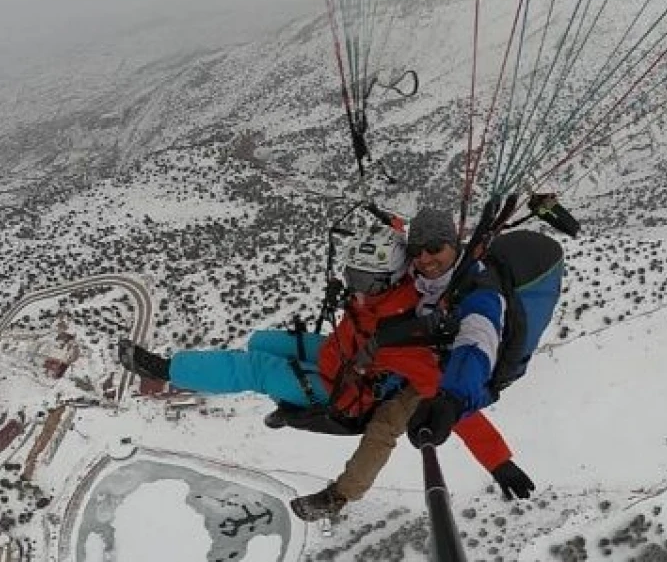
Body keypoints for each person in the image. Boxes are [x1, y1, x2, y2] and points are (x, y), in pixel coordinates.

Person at [117, 218, 532, 519]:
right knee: (263, 341)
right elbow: (405, 239)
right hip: (342, 351)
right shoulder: (400, 281)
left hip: (343, 389)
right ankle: (287, 403)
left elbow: (454, 403)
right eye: (352, 275)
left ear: (386, 281)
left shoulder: (407, 339)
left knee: (254, 367)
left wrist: (498, 462)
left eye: (363, 280)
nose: (354, 286)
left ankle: (166, 369)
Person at [397, 207, 565, 449]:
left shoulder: (479, 290)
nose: (424, 258)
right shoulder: (429, 280)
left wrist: (452, 400)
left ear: (454, 245)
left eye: (434, 248)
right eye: (416, 251)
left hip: (479, 376)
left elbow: (477, 337)